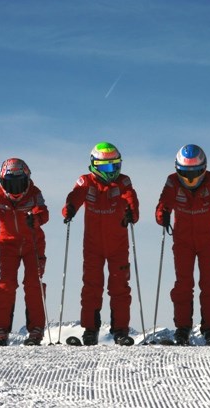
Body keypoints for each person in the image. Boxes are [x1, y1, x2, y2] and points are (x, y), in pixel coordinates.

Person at [62, 142, 139, 346]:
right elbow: (76, 196)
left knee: (120, 287)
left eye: (114, 166)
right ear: (95, 165)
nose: (111, 172)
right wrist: (69, 208)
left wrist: (132, 210)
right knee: (91, 287)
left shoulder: (123, 182)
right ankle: (90, 330)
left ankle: (121, 331)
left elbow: (130, 196)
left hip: (118, 245)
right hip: (93, 246)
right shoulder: (86, 181)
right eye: (106, 167)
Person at [155, 144, 210, 345]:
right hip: (182, 242)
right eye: (185, 172)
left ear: (203, 168)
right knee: (183, 285)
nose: (190, 177)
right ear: (177, 169)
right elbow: (164, 202)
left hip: (209, 240)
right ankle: (182, 330)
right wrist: (162, 214)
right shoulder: (172, 182)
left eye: (195, 172)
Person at [0, 158, 49, 346]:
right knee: (6, 285)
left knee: (34, 283)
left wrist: (35, 219)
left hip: (32, 243)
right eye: (11, 184)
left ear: (27, 179)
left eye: (19, 183)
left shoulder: (35, 193)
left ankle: (36, 330)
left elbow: (43, 212)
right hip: (7, 244)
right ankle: (0, 331)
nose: (16, 189)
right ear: (3, 182)